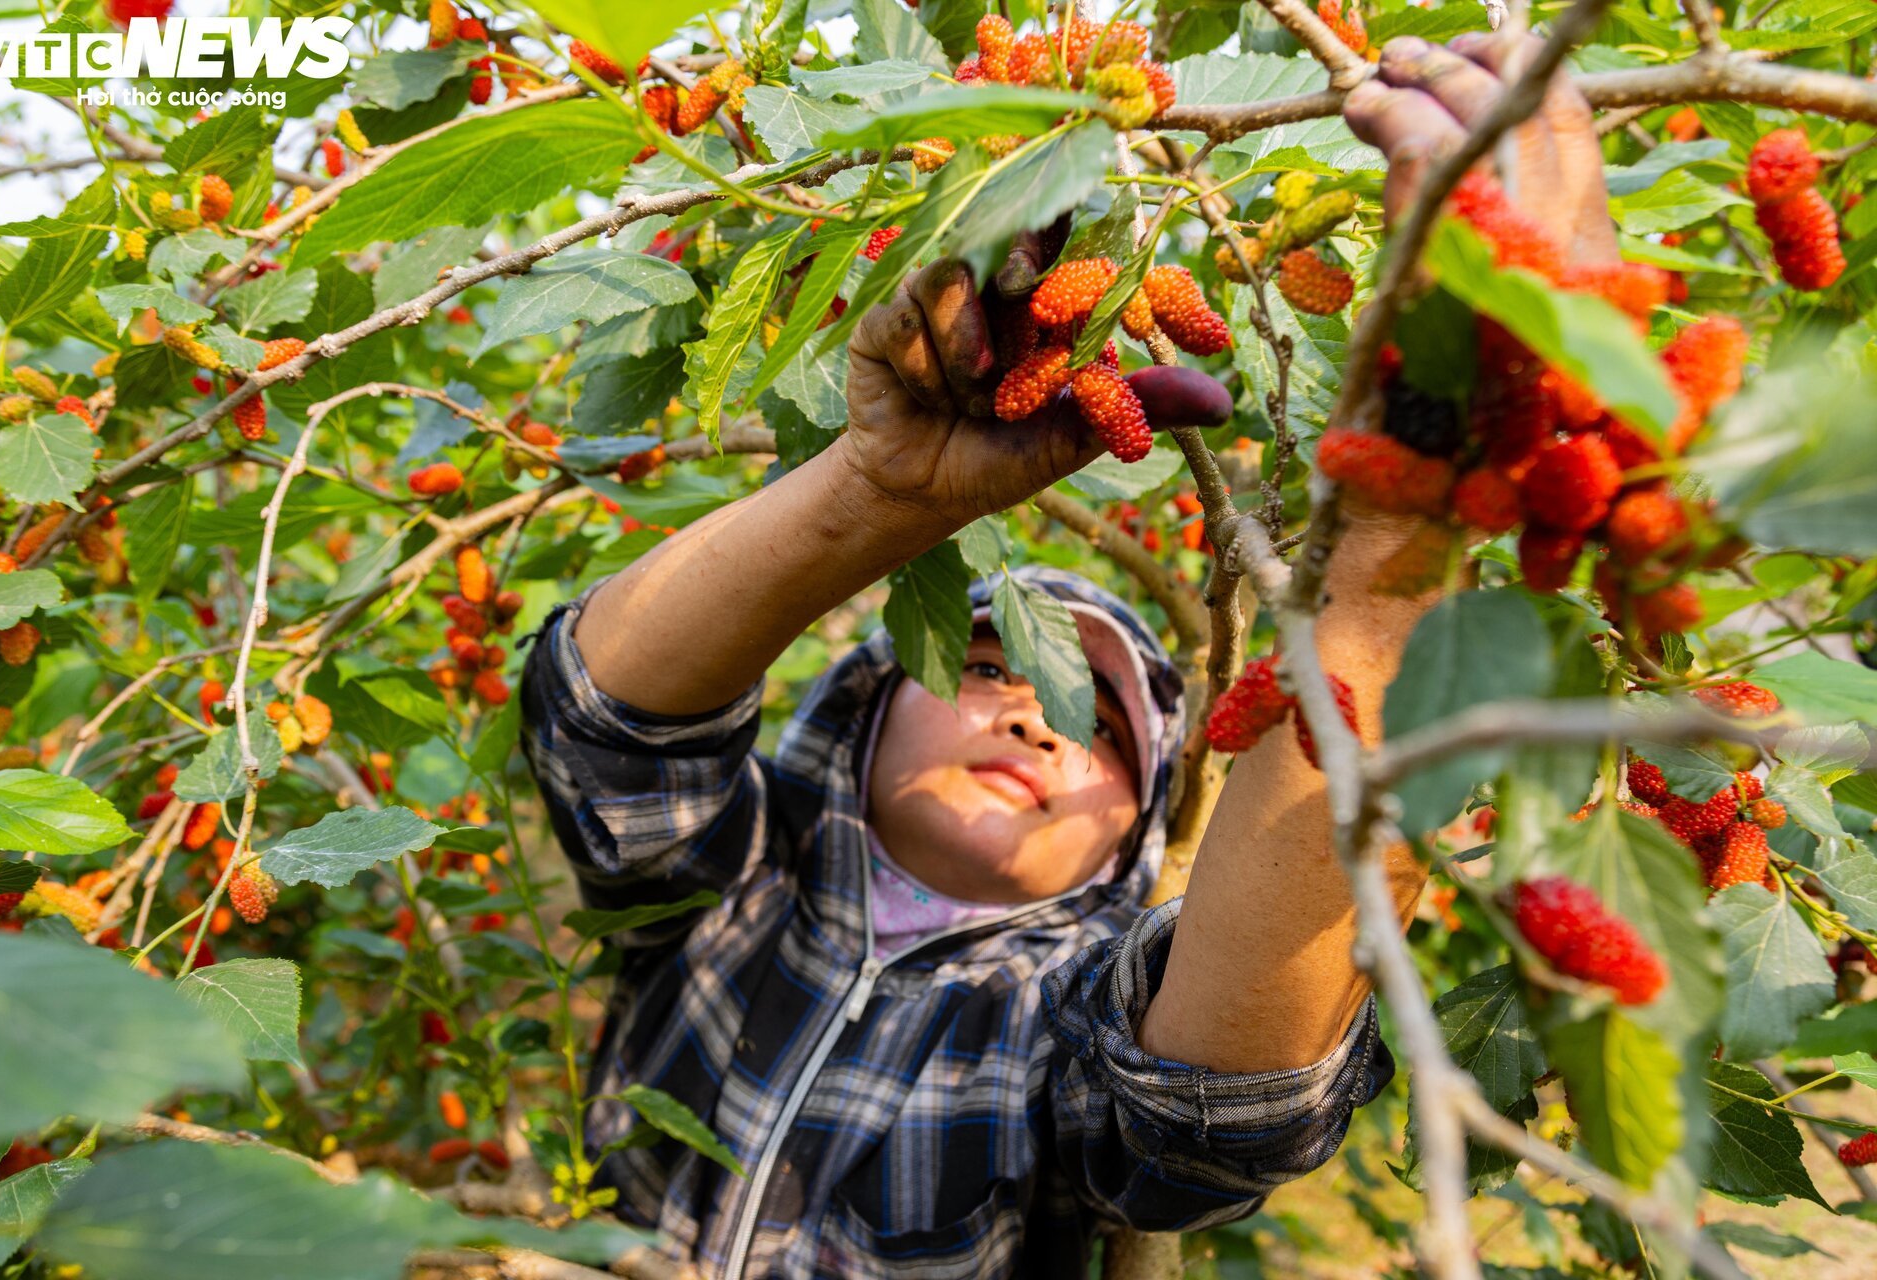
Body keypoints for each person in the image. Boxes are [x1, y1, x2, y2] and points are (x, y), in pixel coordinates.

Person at [520, 33, 1618, 1279]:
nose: (1045, 723)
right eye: (993, 668)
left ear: (1137, 836)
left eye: (1104, 729)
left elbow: (1221, 1096)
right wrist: (872, 496)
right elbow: (605, 721)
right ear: (864, 717)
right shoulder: (734, 884)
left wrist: (1409, 519)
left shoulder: (1060, 1016)